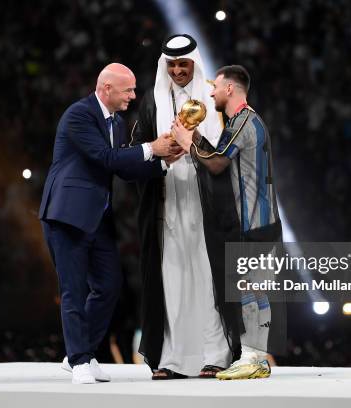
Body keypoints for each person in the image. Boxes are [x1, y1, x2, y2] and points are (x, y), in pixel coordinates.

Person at [39, 63, 179, 384]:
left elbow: (123, 168)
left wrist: (163, 163)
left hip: (97, 218)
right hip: (67, 216)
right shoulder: (79, 115)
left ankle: (82, 351)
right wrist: (150, 148)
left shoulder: (115, 120)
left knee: (109, 286)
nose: (133, 95)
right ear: (106, 89)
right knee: (73, 290)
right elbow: (106, 158)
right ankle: (79, 361)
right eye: (127, 90)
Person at [130, 34, 240, 379]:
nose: (177, 70)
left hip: (207, 201)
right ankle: (173, 359)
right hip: (166, 202)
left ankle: (215, 355)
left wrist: (190, 143)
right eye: (172, 65)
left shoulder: (215, 98)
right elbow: (137, 150)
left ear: (194, 63)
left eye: (183, 64)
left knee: (208, 276)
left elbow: (230, 152)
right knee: (171, 278)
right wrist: (158, 148)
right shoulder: (152, 101)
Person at [172, 65, 286, 380]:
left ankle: (254, 358)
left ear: (230, 89)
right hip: (256, 222)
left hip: (255, 223)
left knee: (253, 289)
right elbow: (219, 156)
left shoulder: (245, 121)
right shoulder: (242, 122)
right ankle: (253, 357)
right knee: (252, 289)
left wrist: (187, 144)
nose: (211, 92)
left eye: (216, 87)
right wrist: (194, 137)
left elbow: (218, 164)